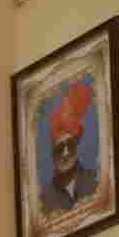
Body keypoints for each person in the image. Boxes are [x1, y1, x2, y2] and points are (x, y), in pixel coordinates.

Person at [39, 79, 102, 218]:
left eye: (70, 145)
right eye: (60, 148)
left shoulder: (98, 182)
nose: (66, 153)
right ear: (51, 152)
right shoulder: (43, 201)